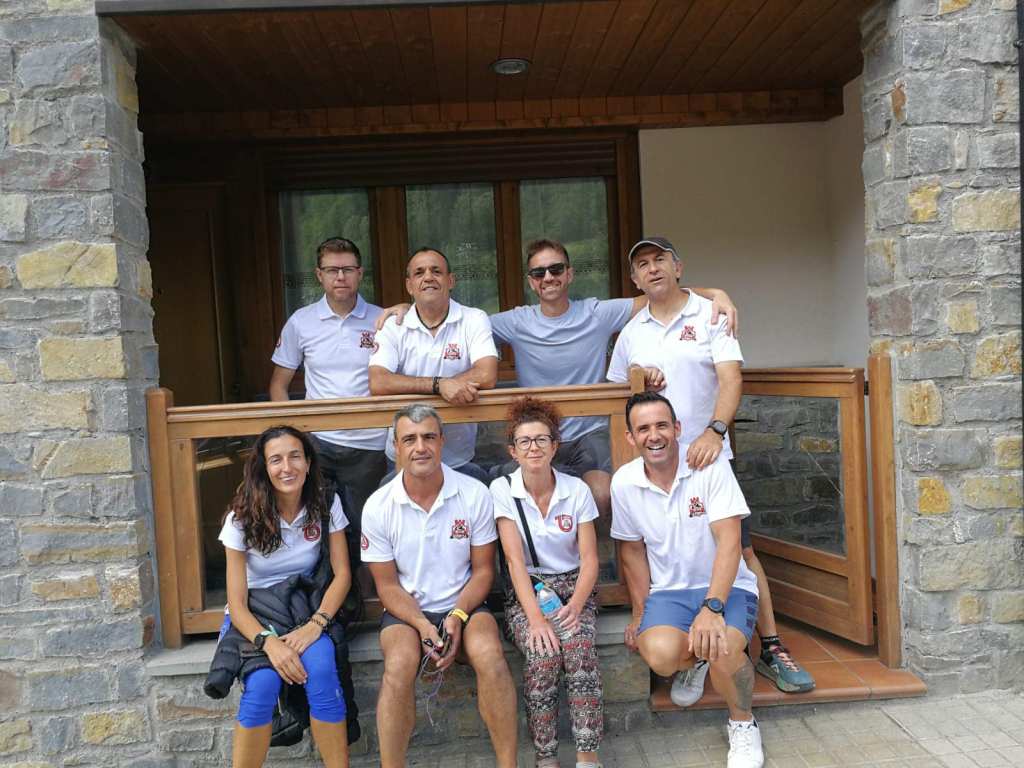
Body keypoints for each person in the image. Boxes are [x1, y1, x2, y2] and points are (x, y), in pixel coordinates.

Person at [376, 237, 738, 518]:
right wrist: (409, 307)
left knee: (601, 495)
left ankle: (598, 569)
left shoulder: (597, 313)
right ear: (531, 282)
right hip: (540, 434)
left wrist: (714, 293)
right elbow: (456, 319)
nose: (548, 277)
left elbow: (659, 294)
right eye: (539, 273)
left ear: (569, 273)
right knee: (520, 499)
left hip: (589, 434)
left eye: (555, 269)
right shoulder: (514, 321)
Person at [607, 237, 814, 696]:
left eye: (660, 259)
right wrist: (642, 380)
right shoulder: (631, 332)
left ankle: (771, 647)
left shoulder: (711, 313)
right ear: (635, 279)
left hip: (706, 459)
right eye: (642, 264)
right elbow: (622, 394)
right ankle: (696, 653)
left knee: (741, 553)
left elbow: (730, 378)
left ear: (678, 266)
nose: (652, 269)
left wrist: (715, 432)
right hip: (657, 465)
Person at [361, 404, 518, 768]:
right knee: (399, 665)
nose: (421, 447)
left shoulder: (473, 493)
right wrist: (421, 625)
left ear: (442, 441)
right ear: (396, 447)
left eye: (429, 437)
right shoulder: (378, 505)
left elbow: (483, 571)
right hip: (406, 611)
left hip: (465, 604)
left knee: (490, 656)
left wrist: (457, 615)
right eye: (410, 439)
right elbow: (387, 586)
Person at [612, 393, 763, 768]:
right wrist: (639, 612)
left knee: (723, 648)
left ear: (677, 428)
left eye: (662, 425)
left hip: (728, 587)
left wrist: (713, 607)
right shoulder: (624, 482)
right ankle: (698, 660)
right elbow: (632, 552)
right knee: (660, 656)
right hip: (669, 593)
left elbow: (730, 542)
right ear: (630, 437)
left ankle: (742, 723)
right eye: (643, 428)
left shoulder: (710, 466)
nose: (654, 435)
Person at [215, 426, 352, 768]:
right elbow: (237, 603)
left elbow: (343, 575)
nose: (286, 467)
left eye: (295, 457)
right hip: (255, 616)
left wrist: (316, 625)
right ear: (264, 467)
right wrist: (269, 644)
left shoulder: (326, 501)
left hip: (305, 610)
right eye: (276, 460)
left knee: (321, 672)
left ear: (308, 462)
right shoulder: (240, 517)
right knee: (262, 685)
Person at [490, 396, 603, 768]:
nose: (533, 448)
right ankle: (546, 758)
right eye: (524, 441)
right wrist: (536, 620)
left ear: (555, 446)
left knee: (579, 648)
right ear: (513, 450)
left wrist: (576, 606)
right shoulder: (503, 490)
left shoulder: (577, 490)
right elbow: (513, 561)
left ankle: (587, 758)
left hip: (574, 589)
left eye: (541, 439)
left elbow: (590, 559)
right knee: (543, 654)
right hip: (528, 592)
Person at [269, 237, 387, 573]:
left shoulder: (382, 319)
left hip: (371, 445)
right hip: (319, 444)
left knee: (369, 528)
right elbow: (278, 385)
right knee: (320, 529)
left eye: (347, 269)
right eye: (332, 270)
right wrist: (294, 439)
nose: (340, 277)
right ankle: (328, 594)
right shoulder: (301, 322)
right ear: (319, 275)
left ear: (360, 273)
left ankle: (369, 594)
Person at [368, 247, 498, 484]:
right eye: (419, 273)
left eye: (436, 271)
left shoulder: (474, 318)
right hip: (405, 457)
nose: (428, 277)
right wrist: (440, 385)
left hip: (459, 456)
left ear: (451, 281)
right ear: (409, 285)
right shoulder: (393, 325)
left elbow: (487, 374)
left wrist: (444, 385)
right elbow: (378, 381)